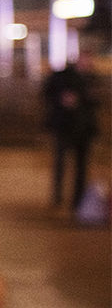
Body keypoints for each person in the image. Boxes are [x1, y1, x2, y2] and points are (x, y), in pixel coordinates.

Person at [42, 61, 99, 210]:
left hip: (82, 128)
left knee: (80, 165)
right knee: (61, 162)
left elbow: (95, 103)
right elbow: (47, 94)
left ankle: (76, 199)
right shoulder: (62, 77)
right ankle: (58, 196)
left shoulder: (91, 79)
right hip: (65, 127)